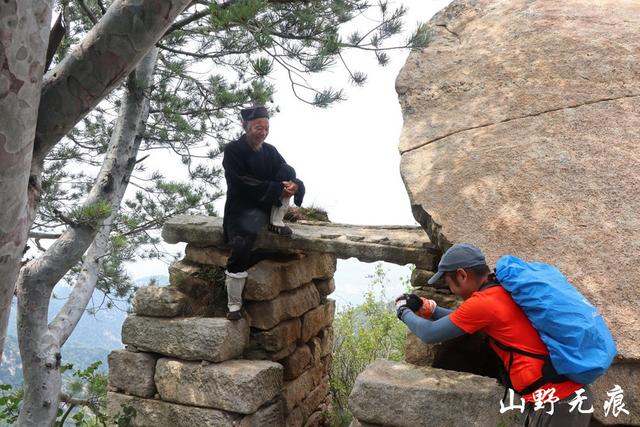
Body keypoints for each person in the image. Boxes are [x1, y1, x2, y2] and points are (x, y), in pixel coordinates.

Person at [396, 243, 592, 427]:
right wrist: (431, 309)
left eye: (449, 284)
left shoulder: (483, 303)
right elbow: (463, 321)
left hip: (557, 401)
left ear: (462, 274)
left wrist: (402, 310)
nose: (452, 291)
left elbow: (429, 333)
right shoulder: (500, 288)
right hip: (558, 396)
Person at [221, 105, 304, 320]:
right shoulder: (233, 150)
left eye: (266, 128)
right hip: (241, 209)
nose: (263, 132)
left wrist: (292, 185)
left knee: (287, 172)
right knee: (242, 245)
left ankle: (277, 221)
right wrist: (277, 188)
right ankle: (234, 305)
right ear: (246, 126)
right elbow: (241, 183)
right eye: (259, 127)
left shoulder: (270, 150)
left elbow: (286, 170)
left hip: (266, 205)